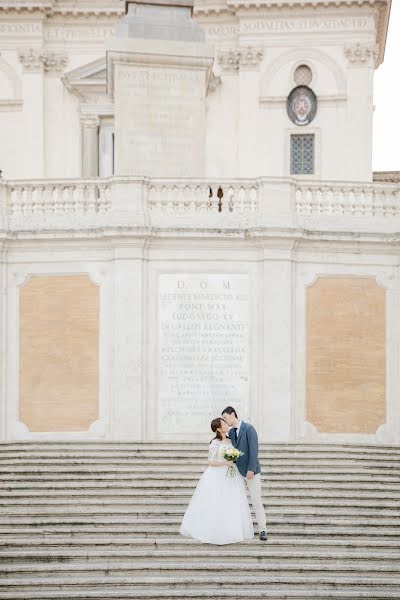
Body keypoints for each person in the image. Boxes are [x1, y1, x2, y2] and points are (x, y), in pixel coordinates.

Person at [180, 417, 254, 545]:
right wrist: (225, 462)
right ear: (219, 428)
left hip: (231, 475)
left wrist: (234, 460)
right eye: (223, 423)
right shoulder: (214, 443)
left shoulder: (232, 440)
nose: (226, 424)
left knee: (232, 501)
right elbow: (210, 462)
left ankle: (231, 530)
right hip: (217, 475)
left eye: (225, 422)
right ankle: (214, 531)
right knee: (216, 501)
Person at [222, 406, 268, 541]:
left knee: (256, 500)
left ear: (232, 414)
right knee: (238, 501)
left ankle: (263, 529)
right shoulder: (230, 432)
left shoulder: (249, 428)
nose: (225, 421)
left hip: (251, 471)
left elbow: (254, 450)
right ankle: (239, 530)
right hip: (237, 472)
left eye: (225, 417)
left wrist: (251, 469)